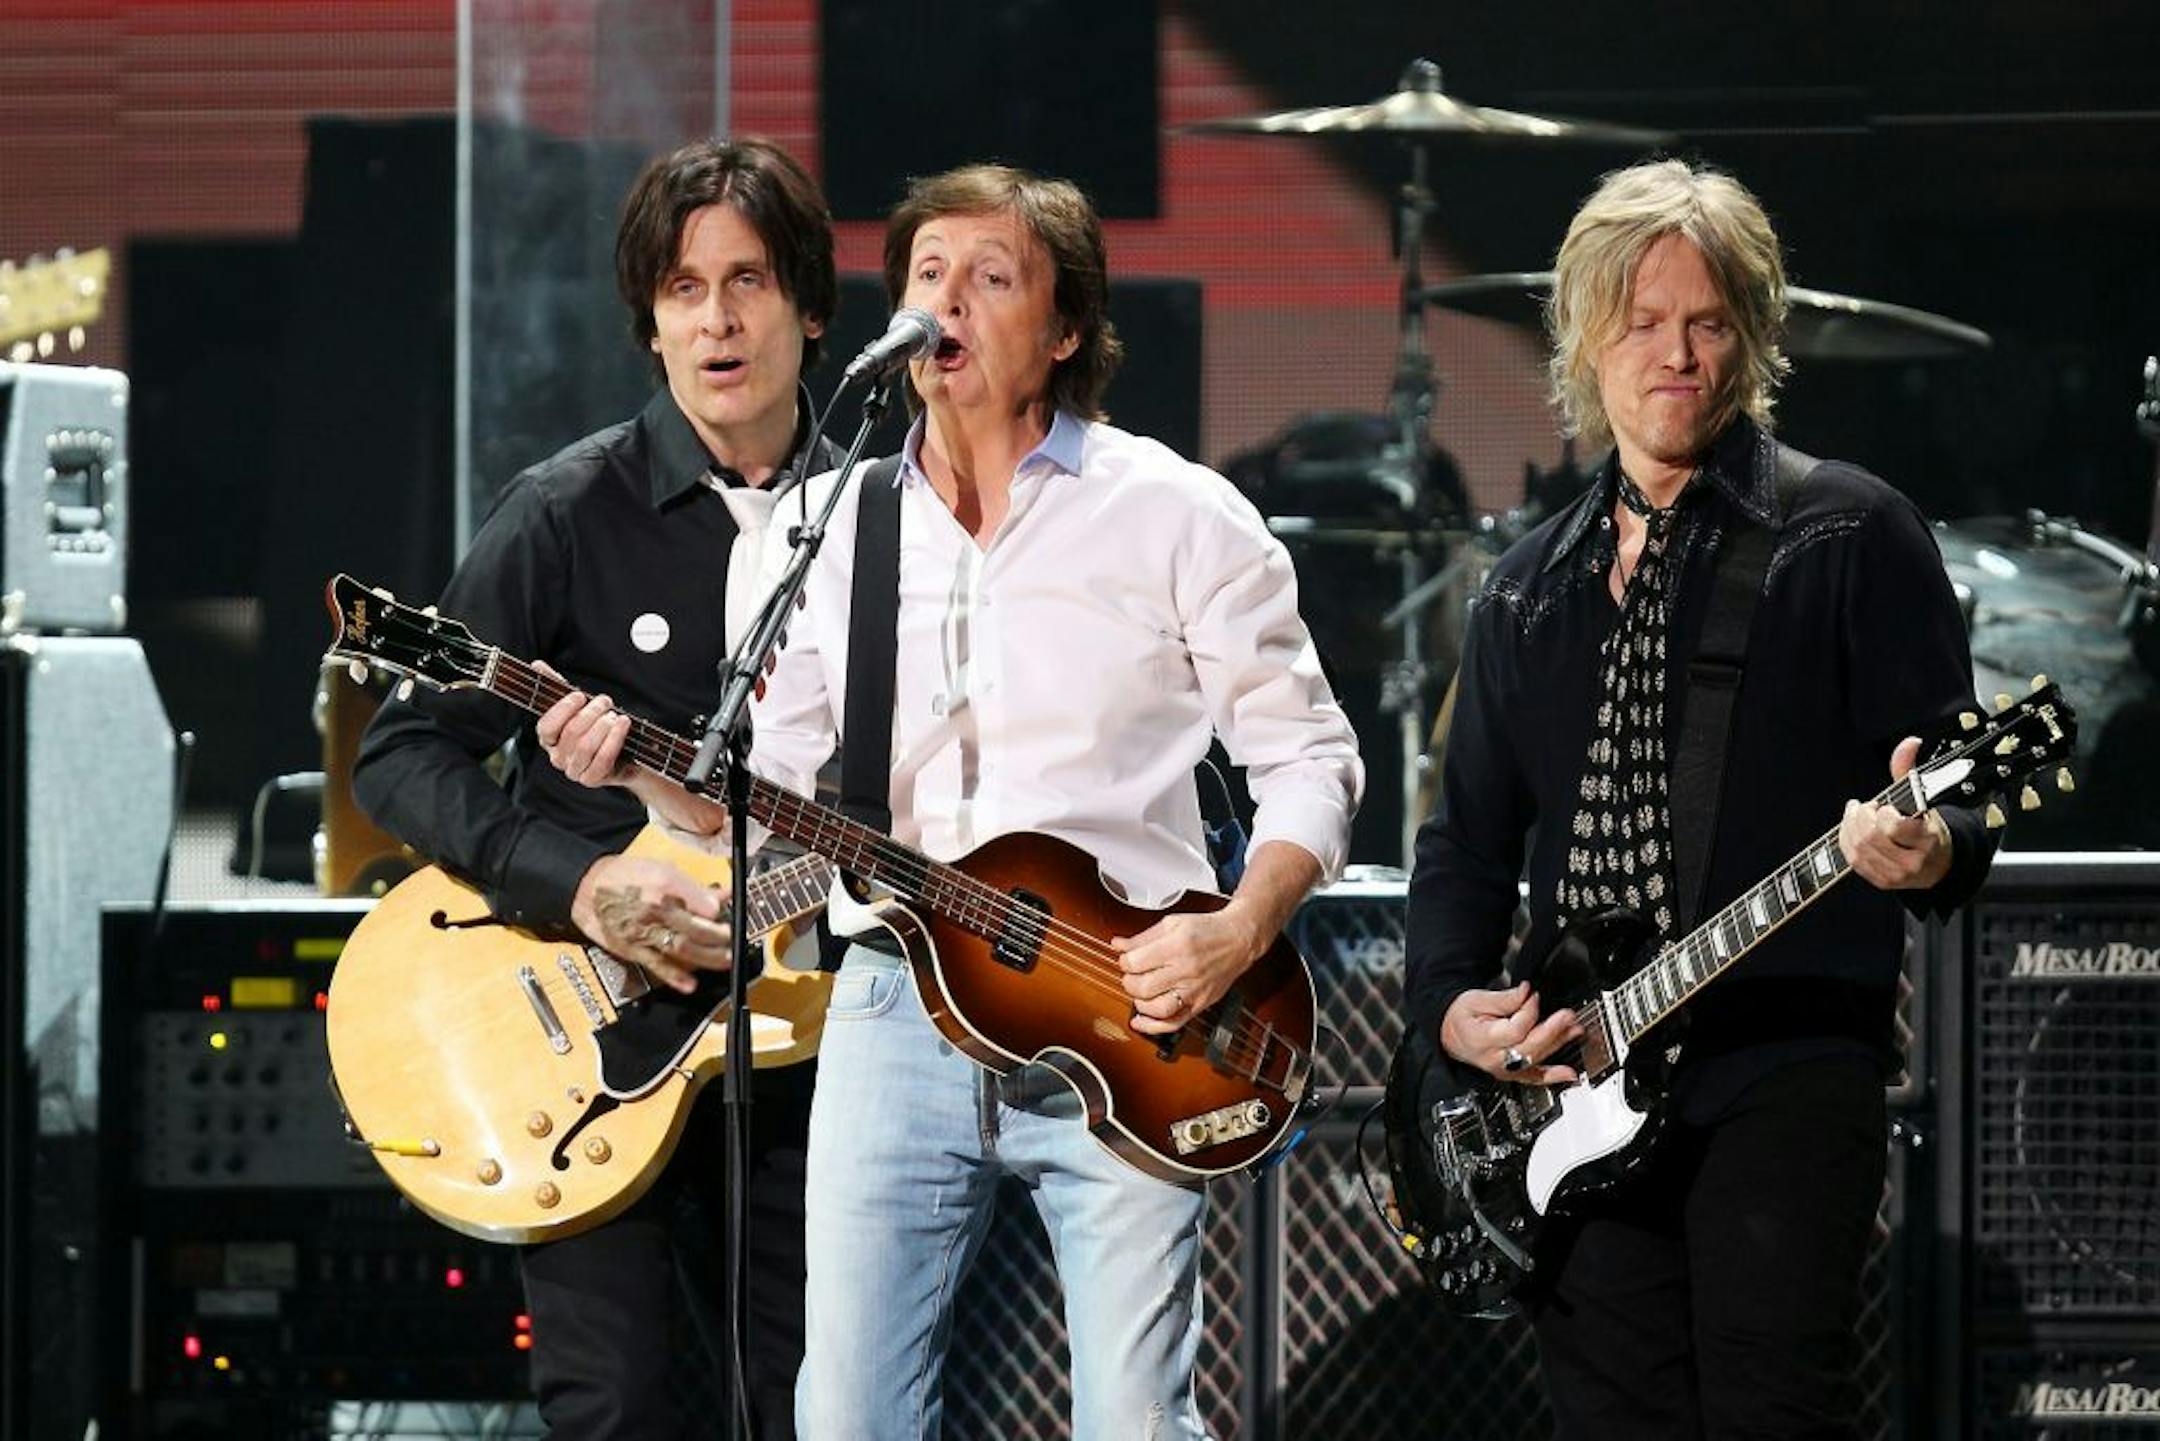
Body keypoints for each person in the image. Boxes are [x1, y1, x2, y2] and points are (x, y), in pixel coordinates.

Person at [540, 162, 1363, 1439]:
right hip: (895, 1006)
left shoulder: (1178, 518)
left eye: (992, 279)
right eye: (929, 278)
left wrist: (1239, 927)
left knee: (1136, 1421)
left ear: (1068, 327)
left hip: (1133, 1004)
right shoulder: (820, 527)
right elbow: (764, 803)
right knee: (848, 1417)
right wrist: (643, 768)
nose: (951, 307)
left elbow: (1311, 756)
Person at [1403, 158, 1997, 1439]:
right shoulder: (1529, 590)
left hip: (1782, 1071)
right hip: (1577, 1087)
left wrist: (1928, 844)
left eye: (1708, 321)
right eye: (1642, 320)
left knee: (1774, 1411)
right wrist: (1450, 1007)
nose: (1676, 352)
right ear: (1585, 338)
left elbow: (1956, 794)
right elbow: (1461, 847)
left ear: (1753, 337)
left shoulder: (1847, 534)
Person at [351, 135, 840, 1440]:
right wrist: (579, 880)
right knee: (616, 1409)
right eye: (684, 288)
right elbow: (400, 753)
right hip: (586, 1046)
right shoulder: (564, 513)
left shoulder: (884, 527)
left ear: (808, 304)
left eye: (747, 281)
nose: (718, 320)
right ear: (651, 321)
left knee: (804, 1408)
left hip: (805, 1052)